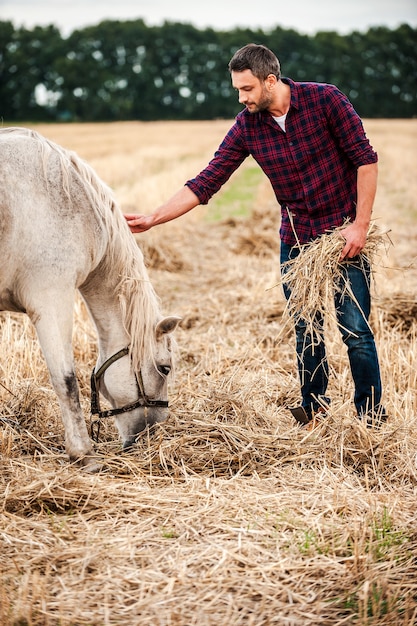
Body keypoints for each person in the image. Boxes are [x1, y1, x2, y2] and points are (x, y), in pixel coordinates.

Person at [125, 43, 385, 428]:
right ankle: (314, 411)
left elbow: (365, 159)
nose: (241, 97)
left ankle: (371, 420)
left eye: (247, 89)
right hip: (296, 240)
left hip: (342, 236)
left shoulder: (326, 101)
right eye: (237, 90)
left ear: (270, 80)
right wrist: (154, 217)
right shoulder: (247, 126)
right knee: (306, 329)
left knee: (356, 331)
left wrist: (360, 225)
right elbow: (207, 180)